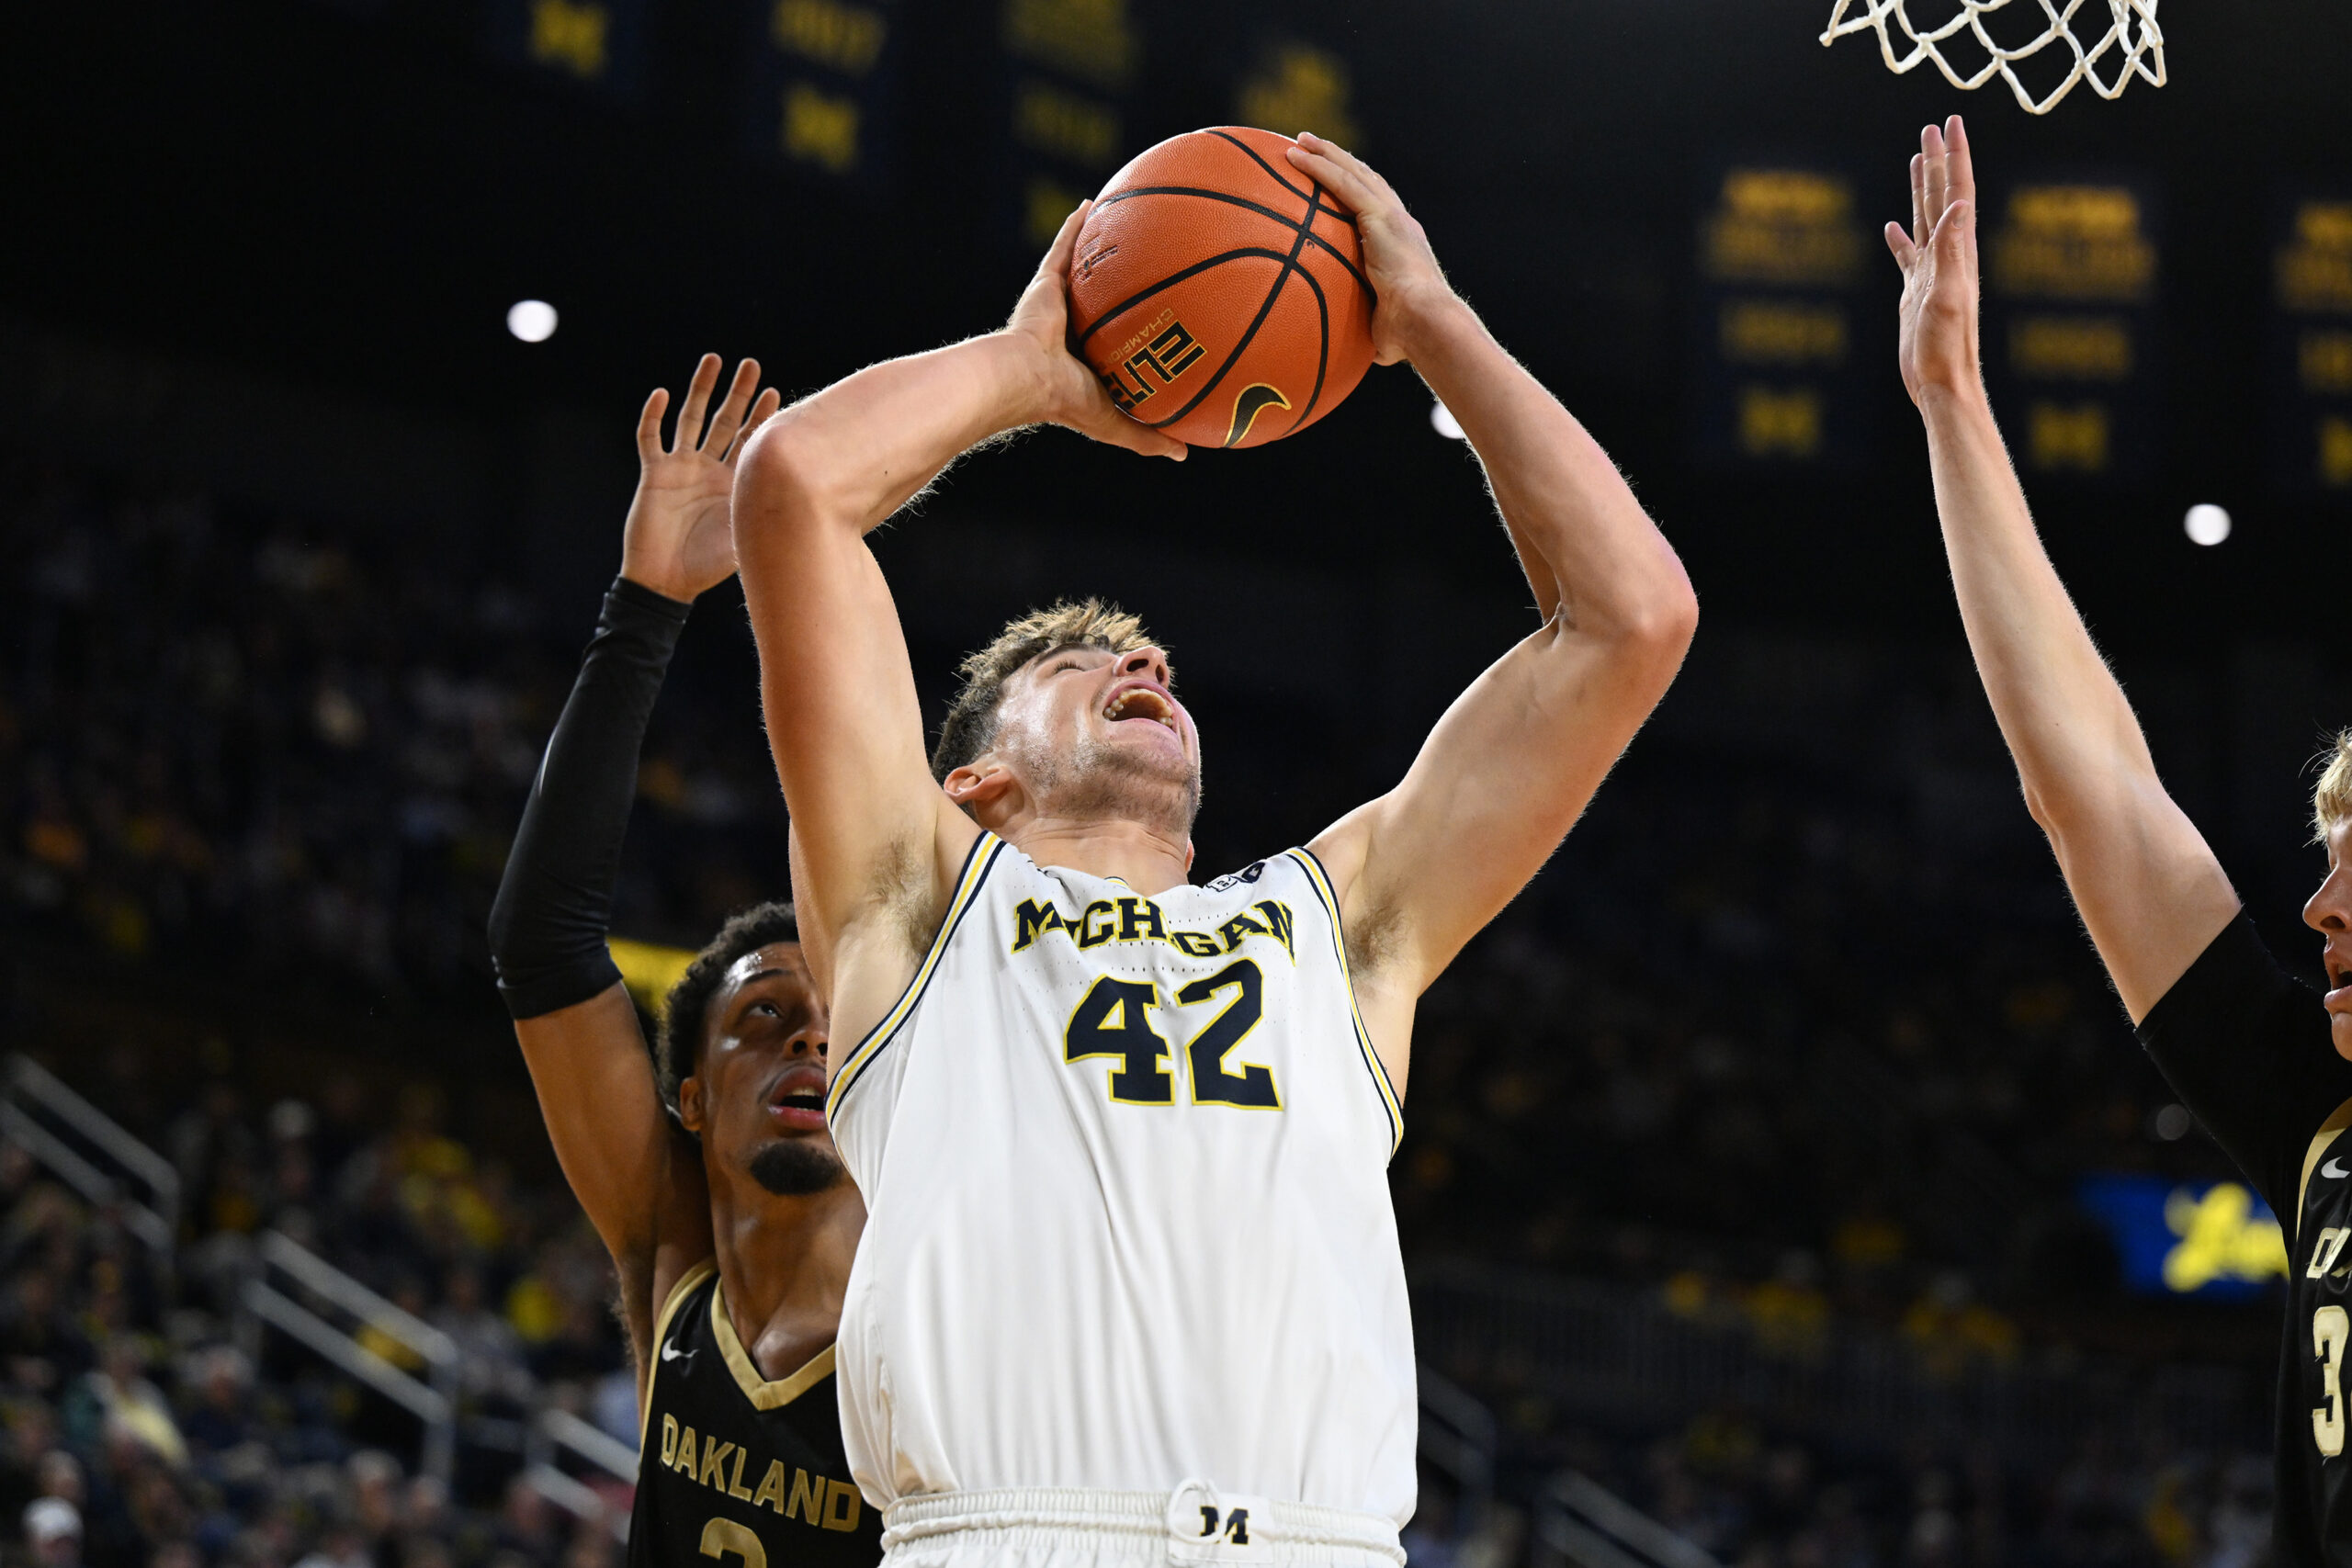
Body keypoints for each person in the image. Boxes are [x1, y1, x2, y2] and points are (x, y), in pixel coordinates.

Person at [732, 132, 1698, 1566]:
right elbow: (795, 483)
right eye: (1084, 659)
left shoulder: (1340, 925)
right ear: (974, 776)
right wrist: (1030, 372)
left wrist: (1433, 324)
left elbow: (1633, 621)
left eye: (1158, 661)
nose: (1151, 661)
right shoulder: (920, 895)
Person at [1886, 114, 2352, 1562]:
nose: (2322, 909)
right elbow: (2092, 787)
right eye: (2324, 861)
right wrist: (1952, 400)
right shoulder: (2322, 1117)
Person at [488, 355, 879, 1567]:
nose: (809, 1037)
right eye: (762, 1019)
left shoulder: (935, 1286)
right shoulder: (671, 1251)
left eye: (829, 1021)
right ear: (692, 1100)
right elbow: (542, 940)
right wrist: (645, 605)